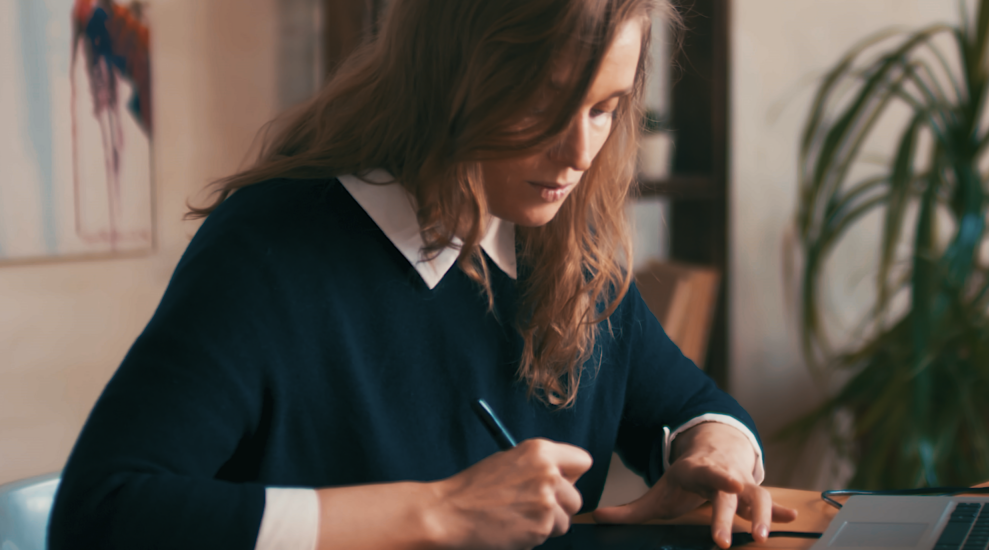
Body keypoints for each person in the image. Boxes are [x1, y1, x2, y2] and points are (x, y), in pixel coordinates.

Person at [49, 0, 796, 548]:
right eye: (546, 104)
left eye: (604, 109)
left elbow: (696, 406)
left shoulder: (565, 249)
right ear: (452, 82)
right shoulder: (273, 250)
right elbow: (102, 512)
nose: (578, 151)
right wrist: (438, 511)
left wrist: (715, 451)